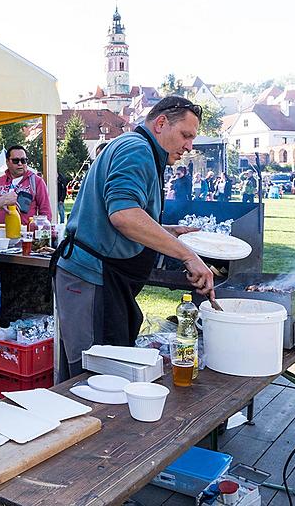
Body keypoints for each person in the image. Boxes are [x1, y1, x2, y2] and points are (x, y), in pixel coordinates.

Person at [52, 96, 215, 381]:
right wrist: (188, 256)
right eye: (186, 135)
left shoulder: (136, 147)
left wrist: (166, 231)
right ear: (161, 123)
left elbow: (123, 213)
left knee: (98, 371)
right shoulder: (137, 149)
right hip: (92, 277)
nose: (189, 146)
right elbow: (124, 215)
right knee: (94, 376)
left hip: (100, 278)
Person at [0, 145, 52, 225]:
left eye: (23, 160)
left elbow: (45, 212)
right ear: (7, 162)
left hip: (26, 235)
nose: (20, 163)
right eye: (15, 160)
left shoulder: (37, 181)